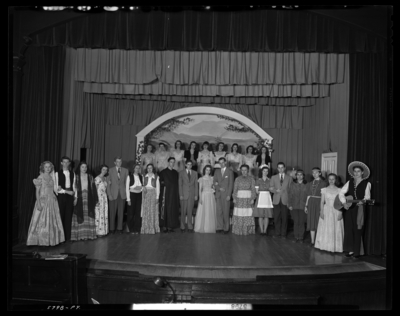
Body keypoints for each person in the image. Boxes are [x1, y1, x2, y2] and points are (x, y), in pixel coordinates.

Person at [27, 161, 65, 246]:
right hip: (43, 201)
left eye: (49, 167)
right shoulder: (40, 177)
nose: (48, 168)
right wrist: (39, 203)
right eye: (46, 167)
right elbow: (37, 192)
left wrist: (58, 189)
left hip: (52, 201)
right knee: (41, 221)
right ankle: (41, 241)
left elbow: (54, 189)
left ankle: (51, 240)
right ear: (43, 168)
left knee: (52, 221)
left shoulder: (52, 177)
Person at [339, 161, 372, 258]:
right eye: (355, 171)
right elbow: (341, 193)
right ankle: (350, 250)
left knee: (358, 229)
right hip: (349, 209)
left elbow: (367, 197)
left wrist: (363, 201)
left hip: (360, 209)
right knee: (349, 229)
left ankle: (357, 251)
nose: (356, 173)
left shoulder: (367, 183)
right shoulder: (349, 182)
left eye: (358, 171)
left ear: (362, 173)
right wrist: (344, 202)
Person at [315, 173, 344, 252]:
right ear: (328, 180)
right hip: (326, 210)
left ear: (336, 180)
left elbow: (341, 202)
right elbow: (322, 202)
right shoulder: (324, 190)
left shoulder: (339, 190)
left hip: (336, 210)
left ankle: (336, 247)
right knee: (326, 227)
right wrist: (321, 211)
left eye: (333, 179)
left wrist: (340, 212)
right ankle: (325, 246)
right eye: (330, 179)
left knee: (335, 227)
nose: (331, 180)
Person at [71, 161, 98, 241]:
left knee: (88, 216)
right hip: (79, 198)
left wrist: (95, 200)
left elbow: (93, 189)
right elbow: (74, 188)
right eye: (82, 167)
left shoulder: (90, 176)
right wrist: (75, 198)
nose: (84, 169)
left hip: (88, 199)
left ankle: (88, 235)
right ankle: (78, 235)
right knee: (78, 215)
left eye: (85, 167)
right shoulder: (75, 176)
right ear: (79, 167)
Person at [54, 156, 75, 243]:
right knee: (60, 215)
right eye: (64, 162)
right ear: (61, 163)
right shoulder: (56, 174)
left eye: (67, 162)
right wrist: (66, 191)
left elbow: (74, 186)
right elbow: (55, 188)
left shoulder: (73, 173)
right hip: (61, 197)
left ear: (69, 163)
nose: (66, 164)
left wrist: (75, 196)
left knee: (68, 216)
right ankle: (60, 237)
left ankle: (67, 237)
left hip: (70, 197)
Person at [305, 167, 327, 246]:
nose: (314, 174)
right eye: (313, 173)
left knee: (319, 220)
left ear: (320, 173)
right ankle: (312, 241)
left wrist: (324, 206)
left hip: (319, 202)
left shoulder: (324, 183)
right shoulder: (310, 183)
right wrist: (306, 205)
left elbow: (325, 196)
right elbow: (308, 195)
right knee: (311, 221)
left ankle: (319, 241)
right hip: (311, 203)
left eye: (316, 172)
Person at [269, 162, 292, 239]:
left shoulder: (289, 178)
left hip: (285, 200)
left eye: (282, 167)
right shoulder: (273, 177)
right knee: (276, 217)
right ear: (277, 168)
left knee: (285, 218)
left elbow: (291, 191)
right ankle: (277, 233)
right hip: (276, 200)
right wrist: (276, 190)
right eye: (279, 167)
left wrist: (290, 201)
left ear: (284, 168)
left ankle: (283, 234)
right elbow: (270, 188)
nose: (281, 169)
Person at [232, 164, 256, 235]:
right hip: (239, 198)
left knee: (248, 213)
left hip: (248, 198)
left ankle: (247, 230)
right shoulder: (237, 179)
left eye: (245, 170)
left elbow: (253, 190)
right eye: (242, 170)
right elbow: (235, 189)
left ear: (248, 170)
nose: (244, 171)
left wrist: (252, 198)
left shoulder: (251, 179)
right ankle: (238, 230)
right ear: (240, 171)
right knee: (239, 213)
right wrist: (234, 198)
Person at [107, 156, 129, 234]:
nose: (119, 163)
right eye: (117, 161)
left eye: (120, 162)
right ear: (114, 162)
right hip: (113, 194)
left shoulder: (126, 171)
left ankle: (119, 228)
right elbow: (108, 184)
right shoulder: (110, 170)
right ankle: (112, 228)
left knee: (121, 212)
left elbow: (127, 183)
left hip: (122, 194)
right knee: (112, 212)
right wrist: (109, 194)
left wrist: (127, 195)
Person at [159, 157, 180, 233]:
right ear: (168, 162)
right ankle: (164, 226)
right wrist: (165, 184)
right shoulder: (163, 172)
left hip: (174, 194)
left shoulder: (175, 173)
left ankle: (171, 226)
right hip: (166, 193)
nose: (172, 163)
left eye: (173, 162)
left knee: (173, 209)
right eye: (171, 162)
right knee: (165, 209)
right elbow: (160, 182)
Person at [213, 157, 234, 234]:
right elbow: (214, 182)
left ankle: (226, 228)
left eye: (222, 162)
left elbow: (231, 184)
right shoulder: (216, 171)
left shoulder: (230, 171)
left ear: (225, 162)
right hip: (218, 194)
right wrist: (219, 188)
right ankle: (219, 227)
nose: (221, 164)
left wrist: (229, 195)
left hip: (226, 195)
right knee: (219, 212)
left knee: (226, 212)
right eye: (220, 162)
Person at [194, 165, 217, 233]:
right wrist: (200, 198)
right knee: (203, 211)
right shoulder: (201, 178)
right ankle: (202, 227)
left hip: (211, 196)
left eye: (209, 170)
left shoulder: (212, 178)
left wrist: (214, 188)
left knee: (210, 211)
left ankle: (209, 227)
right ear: (204, 170)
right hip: (204, 195)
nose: (208, 171)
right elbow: (200, 189)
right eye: (207, 170)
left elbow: (213, 187)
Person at [287, 169, 308, 243]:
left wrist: (307, 206)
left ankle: (301, 237)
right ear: (295, 176)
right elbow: (290, 195)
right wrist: (289, 204)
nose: (299, 176)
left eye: (301, 175)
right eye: (298, 175)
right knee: (296, 221)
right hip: (294, 205)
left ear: (303, 176)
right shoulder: (292, 184)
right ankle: (296, 236)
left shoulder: (306, 185)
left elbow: (308, 196)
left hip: (303, 206)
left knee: (301, 222)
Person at [253, 166, 274, 236]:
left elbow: (271, 190)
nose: (265, 172)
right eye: (264, 171)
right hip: (260, 198)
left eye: (267, 171)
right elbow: (256, 191)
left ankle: (265, 230)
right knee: (260, 215)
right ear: (261, 172)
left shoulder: (270, 180)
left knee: (267, 216)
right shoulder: (258, 180)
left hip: (267, 198)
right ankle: (261, 230)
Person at [179, 160, 198, 232]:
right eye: (188, 164)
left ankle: (190, 226)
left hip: (191, 195)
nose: (189, 166)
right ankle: (182, 226)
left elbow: (196, 185)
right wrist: (180, 194)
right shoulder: (181, 173)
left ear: (192, 165)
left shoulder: (195, 173)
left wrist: (196, 195)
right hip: (183, 194)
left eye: (190, 164)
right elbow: (180, 185)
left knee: (190, 211)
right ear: (185, 165)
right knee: (183, 211)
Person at [141, 164, 160, 234]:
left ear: (153, 169)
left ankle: (152, 228)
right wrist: (143, 187)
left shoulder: (156, 177)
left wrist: (157, 197)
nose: (149, 169)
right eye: (148, 168)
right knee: (146, 211)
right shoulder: (143, 176)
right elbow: (141, 185)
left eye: (151, 168)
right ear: (146, 169)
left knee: (152, 211)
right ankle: (145, 228)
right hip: (145, 194)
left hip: (153, 194)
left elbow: (158, 188)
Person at [126, 164, 143, 234]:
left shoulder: (141, 177)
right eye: (136, 168)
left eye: (138, 168)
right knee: (131, 213)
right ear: (133, 169)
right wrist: (128, 199)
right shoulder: (129, 176)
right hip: (132, 195)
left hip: (139, 195)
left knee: (137, 212)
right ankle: (131, 229)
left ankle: (137, 229)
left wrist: (140, 187)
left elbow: (142, 186)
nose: (137, 169)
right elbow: (127, 188)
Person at [94, 164, 109, 237]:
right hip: (99, 197)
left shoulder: (105, 178)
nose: (105, 171)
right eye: (103, 169)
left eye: (106, 170)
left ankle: (104, 231)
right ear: (100, 169)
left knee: (104, 213)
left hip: (104, 198)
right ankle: (98, 232)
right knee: (99, 214)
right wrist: (96, 200)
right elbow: (95, 190)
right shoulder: (97, 178)